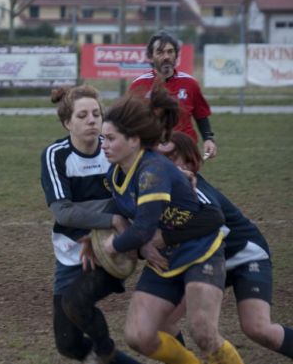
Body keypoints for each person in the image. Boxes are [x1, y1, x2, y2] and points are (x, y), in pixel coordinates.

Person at [98, 86, 243, 363]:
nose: (103, 144)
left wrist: (114, 244)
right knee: (138, 335)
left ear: (133, 140)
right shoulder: (115, 172)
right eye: (103, 138)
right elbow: (118, 205)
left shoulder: (153, 171)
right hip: (165, 259)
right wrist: (114, 220)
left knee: (203, 332)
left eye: (111, 138)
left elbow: (142, 228)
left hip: (201, 251)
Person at [157, 132, 293, 359]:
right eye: (160, 158)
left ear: (190, 163)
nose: (164, 164)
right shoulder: (158, 189)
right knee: (162, 320)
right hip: (207, 259)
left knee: (257, 328)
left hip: (245, 255)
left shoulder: (195, 189)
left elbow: (212, 221)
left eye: (172, 157)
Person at [40, 86, 141, 364]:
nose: (92, 120)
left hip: (111, 251)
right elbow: (63, 212)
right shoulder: (56, 155)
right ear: (67, 123)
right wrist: (112, 219)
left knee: (76, 302)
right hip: (68, 254)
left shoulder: (114, 151)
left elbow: (135, 199)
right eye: (82, 115)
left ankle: (106, 351)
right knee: (68, 344)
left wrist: (115, 231)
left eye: (96, 114)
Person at [129, 31, 217, 160]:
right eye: (160, 52)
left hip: (185, 152)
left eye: (170, 52)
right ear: (150, 56)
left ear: (176, 55)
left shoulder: (190, 83)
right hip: (152, 153)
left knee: (188, 180)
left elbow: (201, 115)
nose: (166, 56)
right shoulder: (138, 86)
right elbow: (128, 121)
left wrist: (208, 138)